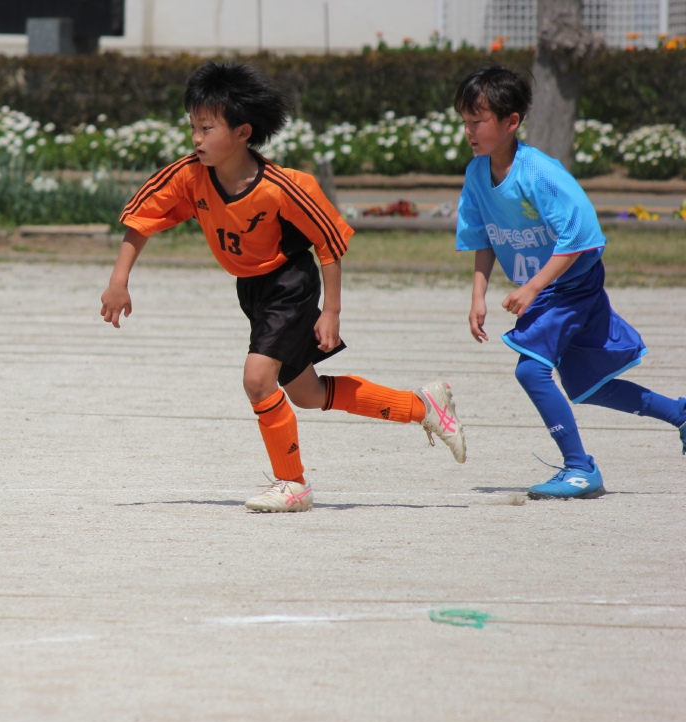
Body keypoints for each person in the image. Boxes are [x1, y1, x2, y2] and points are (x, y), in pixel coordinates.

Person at [100, 61, 466, 513]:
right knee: (308, 394)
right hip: (252, 290)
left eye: (207, 128)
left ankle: (293, 484)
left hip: (289, 284)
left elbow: (329, 245)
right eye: (193, 126)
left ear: (242, 132)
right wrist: (118, 281)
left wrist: (331, 312)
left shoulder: (284, 187)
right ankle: (423, 407)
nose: (196, 138)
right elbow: (142, 219)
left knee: (258, 380)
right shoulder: (188, 175)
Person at [454, 65, 686, 500]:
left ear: (511, 121)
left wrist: (533, 287)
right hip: (552, 289)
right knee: (587, 386)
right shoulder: (476, 174)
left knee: (531, 370)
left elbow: (579, 237)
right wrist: (478, 295)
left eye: (477, 121)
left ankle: (580, 468)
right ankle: (680, 414)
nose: (468, 130)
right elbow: (482, 236)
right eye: (465, 121)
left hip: (569, 287)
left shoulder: (539, 172)